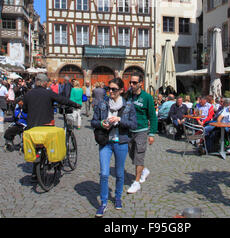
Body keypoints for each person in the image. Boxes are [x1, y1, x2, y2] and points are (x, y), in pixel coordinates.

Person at [22, 73, 82, 180]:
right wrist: (76, 104)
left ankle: (34, 173)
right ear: (45, 83)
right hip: (47, 126)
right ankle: (56, 163)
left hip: (32, 127)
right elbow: (63, 100)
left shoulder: (28, 94)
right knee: (53, 142)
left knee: (36, 148)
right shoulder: (48, 93)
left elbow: (25, 110)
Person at [91, 78, 137, 217]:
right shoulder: (102, 104)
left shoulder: (128, 106)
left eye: (114, 89)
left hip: (121, 142)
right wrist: (101, 123)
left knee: (119, 173)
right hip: (105, 142)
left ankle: (117, 197)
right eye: (109, 89)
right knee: (104, 173)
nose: (110, 91)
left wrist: (119, 120)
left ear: (121, 91)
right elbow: (93, 122)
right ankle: (103, 202)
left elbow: (134, 125)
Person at [126, 73, 157, 194]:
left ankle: (136, 182)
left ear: (140, 84)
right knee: (132, 155)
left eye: (134, 83)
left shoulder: (147, 97)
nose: (131, 85)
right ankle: (144, 171)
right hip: (129, 130)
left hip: (142, 130)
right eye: (130, 82)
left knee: (139, 156)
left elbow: (153, 116)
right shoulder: (128, 95)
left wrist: (152, 134)